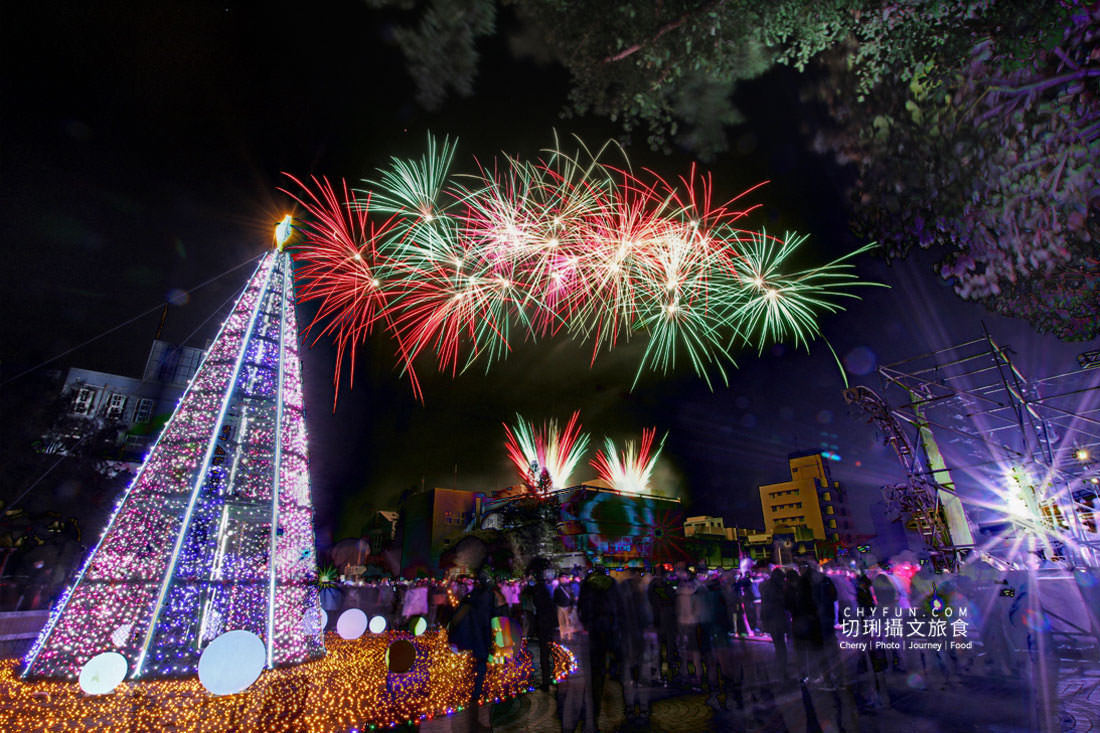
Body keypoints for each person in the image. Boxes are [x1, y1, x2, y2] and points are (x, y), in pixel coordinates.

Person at [578, 565, 617, 726]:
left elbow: (582, 607)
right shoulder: (612, 584)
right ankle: (608, 675)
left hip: (593, 629)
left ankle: (592, 702)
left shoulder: (587, 584)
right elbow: (616, 607)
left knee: (594, 665)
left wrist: (586, 623)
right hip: (608, 626)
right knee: (606, 658)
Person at [523, 570, 558, 689]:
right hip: (550, 622)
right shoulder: (550, 588)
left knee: (544, 652)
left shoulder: (539, 589)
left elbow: (527, 592)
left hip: (543, 623)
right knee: (551, 651)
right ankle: (552, 677)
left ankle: (546, 680)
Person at [759, 568, 791, 682]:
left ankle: (782, 666)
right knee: (782, 643)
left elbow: (764, 604)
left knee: (778, 643)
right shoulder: (780, 588)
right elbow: (785, 602)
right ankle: (784, 668)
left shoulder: (764, 586)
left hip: (771, 618)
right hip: (780, 617)